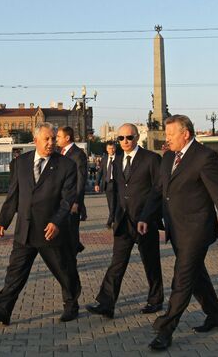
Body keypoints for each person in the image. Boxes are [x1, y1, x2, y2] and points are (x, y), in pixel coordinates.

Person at [138, 115, 218, 351]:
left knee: (183, 278)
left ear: (185, 133)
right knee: (198, 277)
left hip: (197, 229)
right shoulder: (168, 158)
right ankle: (216, 316)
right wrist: (146, 217)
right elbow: (158, 191)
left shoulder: (204, 157)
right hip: (175, 229)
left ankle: (166, 329)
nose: (166, 139)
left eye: (170, 135)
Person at [0, 123, 81, 325]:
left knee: (63, 270)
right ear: (35, 141)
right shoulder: (20, 163)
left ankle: (71, 305)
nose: (51, 142)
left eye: (54, 138)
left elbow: (67, 199)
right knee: (15, 273)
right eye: (47, 139)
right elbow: (13, 194)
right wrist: (4, 220)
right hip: (24, 230)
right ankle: (2, 310)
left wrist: (56, 222)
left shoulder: (66, 165)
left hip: (49, 231)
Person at [87, 124, 164, 319]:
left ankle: (155, 300)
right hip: (123, 221)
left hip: (144, 222)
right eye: (120, 138)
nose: (125, 142)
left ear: (137, 137)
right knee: (117, 263)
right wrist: (113, 216)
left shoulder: (151, 159)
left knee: (151, 262)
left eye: (129, 138)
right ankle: (106, 303)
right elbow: (119, 191)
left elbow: (158, 191)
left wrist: (148, 216)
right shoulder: (117, 160)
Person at [56, 126, 88, 255]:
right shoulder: (60, 152)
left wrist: (76, 202)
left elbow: (81, 180)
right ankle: (73, 249)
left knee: (72, 230)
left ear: (67, 138)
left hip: (72, 200)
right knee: (64, 228)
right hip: (61, 199)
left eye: (59, 136)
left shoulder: (78, 154)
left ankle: (72, 257)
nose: (56, 139)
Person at [94, 141, 118, 227]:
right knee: (110, 203)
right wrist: (96, 184)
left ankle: (110, 220)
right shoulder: (104, 159)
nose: (111, 150)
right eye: (109, 148)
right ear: (106, 149)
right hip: (107, 183)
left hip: (117, 184)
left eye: (113, 148)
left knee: (114, 203)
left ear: (115, 148)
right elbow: (100, 172)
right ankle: (114, 219)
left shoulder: (119, 158)